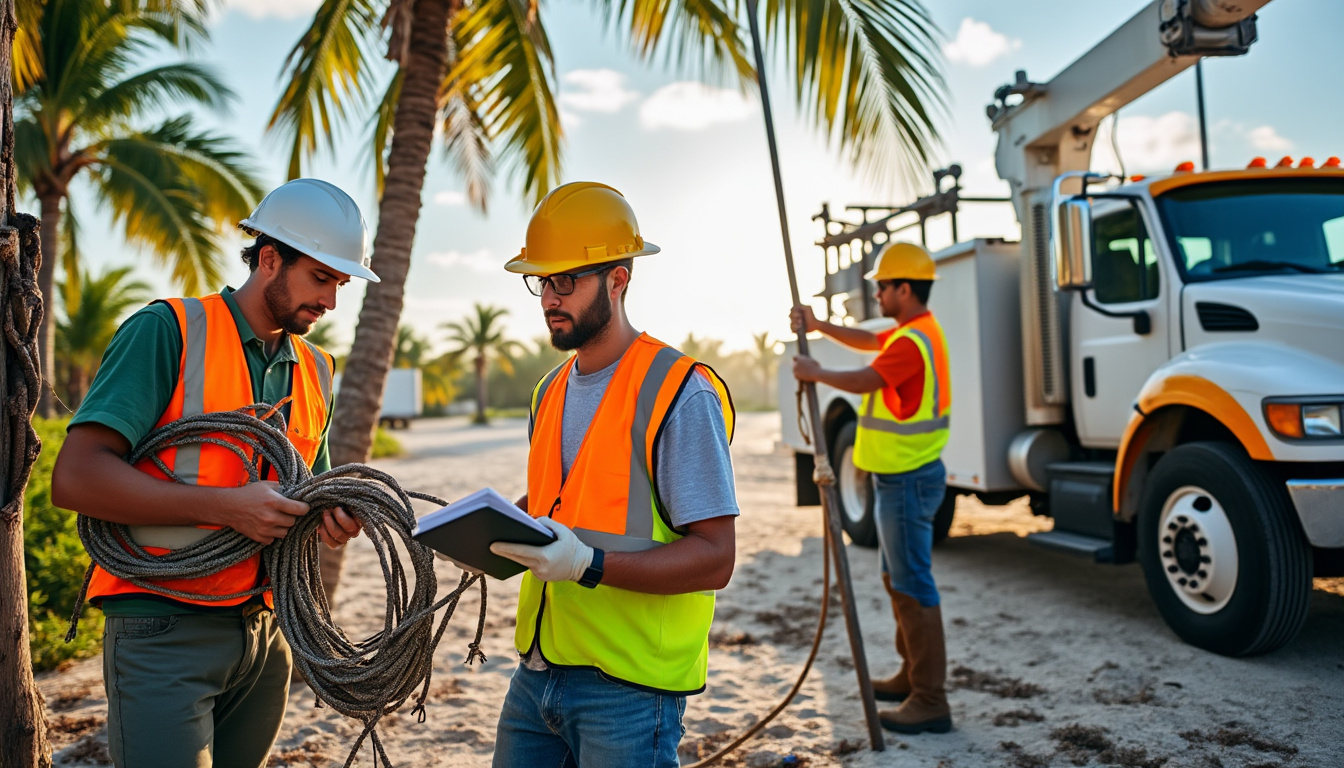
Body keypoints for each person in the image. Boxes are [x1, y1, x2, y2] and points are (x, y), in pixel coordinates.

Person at [51, 178, 377, 768]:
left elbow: (312, 490)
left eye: (341, 284)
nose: (331, 301)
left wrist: (335, 516)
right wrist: (228, 508)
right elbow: (76, 478)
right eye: (321, 278)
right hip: (163, 626)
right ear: (270, 258)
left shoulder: (317, 368)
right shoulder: (167, 330)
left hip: (266, 634)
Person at [486, 181, 740, 767]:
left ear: (618, 279)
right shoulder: (548, 390)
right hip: (536, 673)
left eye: (566, 281)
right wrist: (492, 534)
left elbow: (716, 557)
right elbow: (564, 502)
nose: (549, 297)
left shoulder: (680, 391)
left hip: (629, 690)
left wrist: (588, 564)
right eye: (542, 281)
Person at [790, 241, 953, 735]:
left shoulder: (911, 343)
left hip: (906, 480)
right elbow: (867, 340)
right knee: (897, 579)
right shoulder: (914, 331)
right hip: (903, 478)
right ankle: (912, 677)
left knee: (912, 584)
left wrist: (817, 373)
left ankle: (930, 699)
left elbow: (867, 378)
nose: (877, 294)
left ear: (905, 289)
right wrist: (819, 326)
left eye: (883, 286)